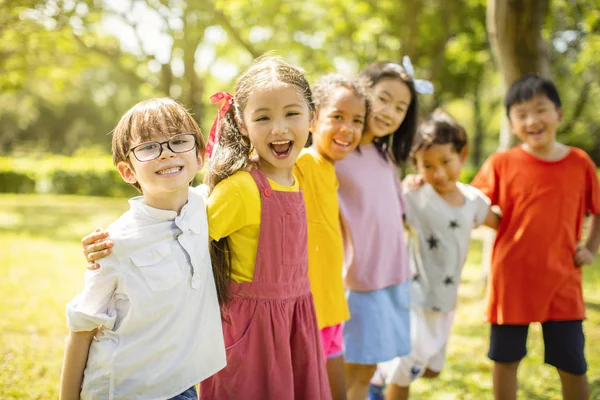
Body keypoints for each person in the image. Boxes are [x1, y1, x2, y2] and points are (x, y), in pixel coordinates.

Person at [59, 98, 226, 400]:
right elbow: (82, 330)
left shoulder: (206, 205)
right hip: (123, 389)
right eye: (148, 147)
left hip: (182, 384)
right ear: (127, 171)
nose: (167, 153)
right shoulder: (114, 243)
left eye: (178, 141)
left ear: (200, 157)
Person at [199, 56, 331, 399]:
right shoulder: (241, 189)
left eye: (292, 113)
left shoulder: (300, 175)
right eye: (263, 117)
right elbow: (184, 241)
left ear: (312, 117)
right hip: (250, 333)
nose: (279, 128)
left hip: (294, 323)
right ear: (242, 124)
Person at [471, 74, 600, 400]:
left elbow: (597, 209)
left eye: (540, 110)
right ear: (512, 124)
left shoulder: (579, 162)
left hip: (562, 282)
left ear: (558, 113)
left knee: (572, 362)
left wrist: (591, 248)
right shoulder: (501, 162)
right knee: (505, 359)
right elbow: (476, 207)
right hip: (512, 280)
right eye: (521, 114)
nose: (532, 120)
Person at [370, 109, 500, 399]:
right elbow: (382, 218)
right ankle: (378, 382)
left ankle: (380, 373)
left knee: (431, 370)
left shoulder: (473, 201)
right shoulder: (414, 197)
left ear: (462, 155)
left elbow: (501, 221)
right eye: (427, 165)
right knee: (404, 373)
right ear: (416, 165)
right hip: (412, 300)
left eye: (445, 161)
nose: (438, 173)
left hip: (445, 302)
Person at [335, 57, 433, 400]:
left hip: (391, 279)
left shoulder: (385, 157)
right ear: (363, 92)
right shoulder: (337, 152)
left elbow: (391, 212)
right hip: (355, 283)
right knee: (343, 377)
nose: (390, 111)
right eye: (384, 98)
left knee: (366, 374)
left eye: (401, 107)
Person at [294, 73, 369, 400]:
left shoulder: (327, 169)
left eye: (357, 121)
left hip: (329, 307)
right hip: (307, 311)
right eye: (337, 116)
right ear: (313, 119)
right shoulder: (303, 162)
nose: (348, 128)